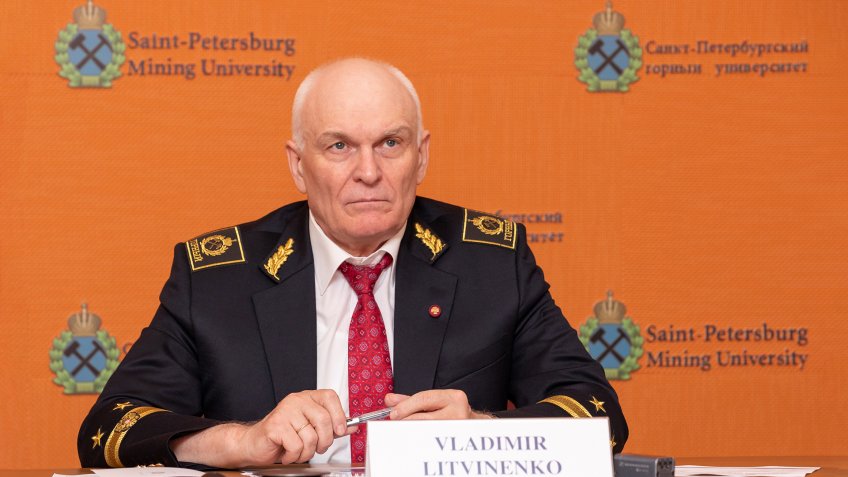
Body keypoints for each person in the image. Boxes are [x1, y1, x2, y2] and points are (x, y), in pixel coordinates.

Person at [78, 58, 628, 469]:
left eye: (390, 143)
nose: (368, 171)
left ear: (421, 157)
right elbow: (109, 428)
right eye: (339, 146)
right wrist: (241, 441)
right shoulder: (217, 278)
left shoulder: (492, 263)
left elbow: (599, 416)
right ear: (298, 165)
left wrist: (482, 432)